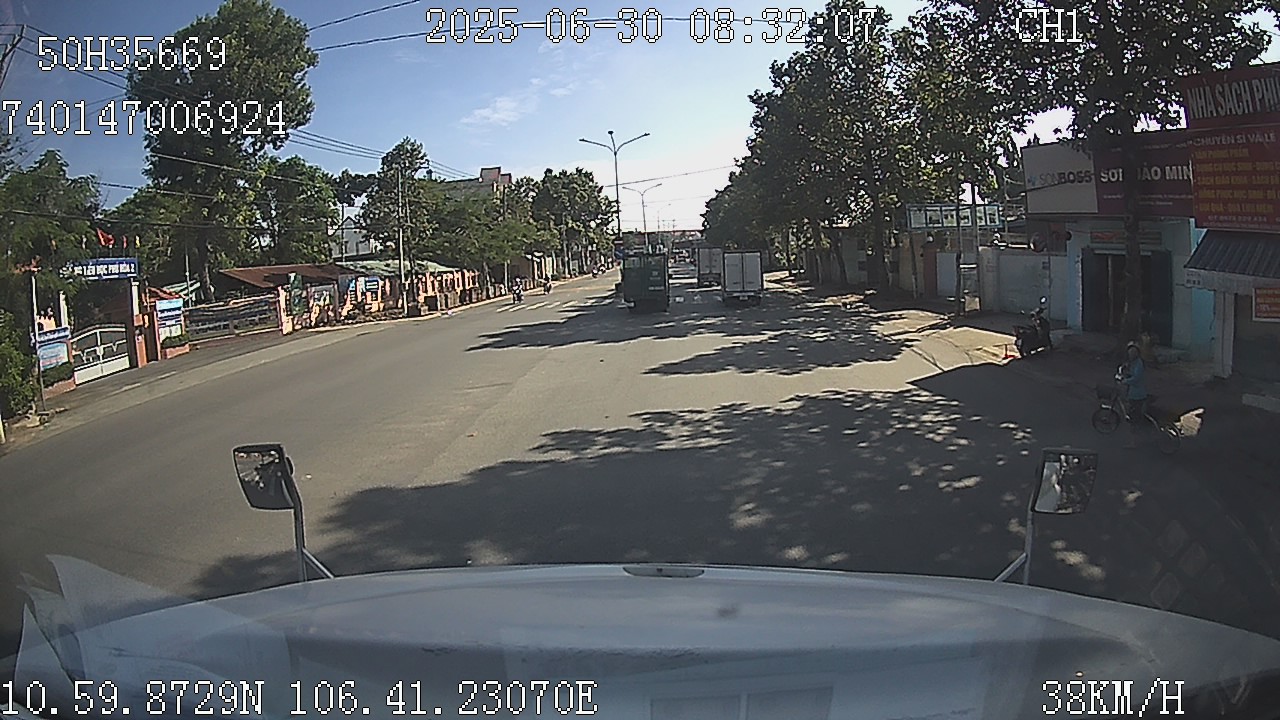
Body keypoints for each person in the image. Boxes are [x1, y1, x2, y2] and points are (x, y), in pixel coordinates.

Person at [1119, 341, 1147, 448]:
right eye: (1130, 353)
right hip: (1134, 393)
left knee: (1133, 419)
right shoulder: (1135, 363)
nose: (1131, 355)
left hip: (1137, 395)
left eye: (1133, 353)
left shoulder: (1139, 364)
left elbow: (1136, 379)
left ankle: (1134, 442)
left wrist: (1125, 381)